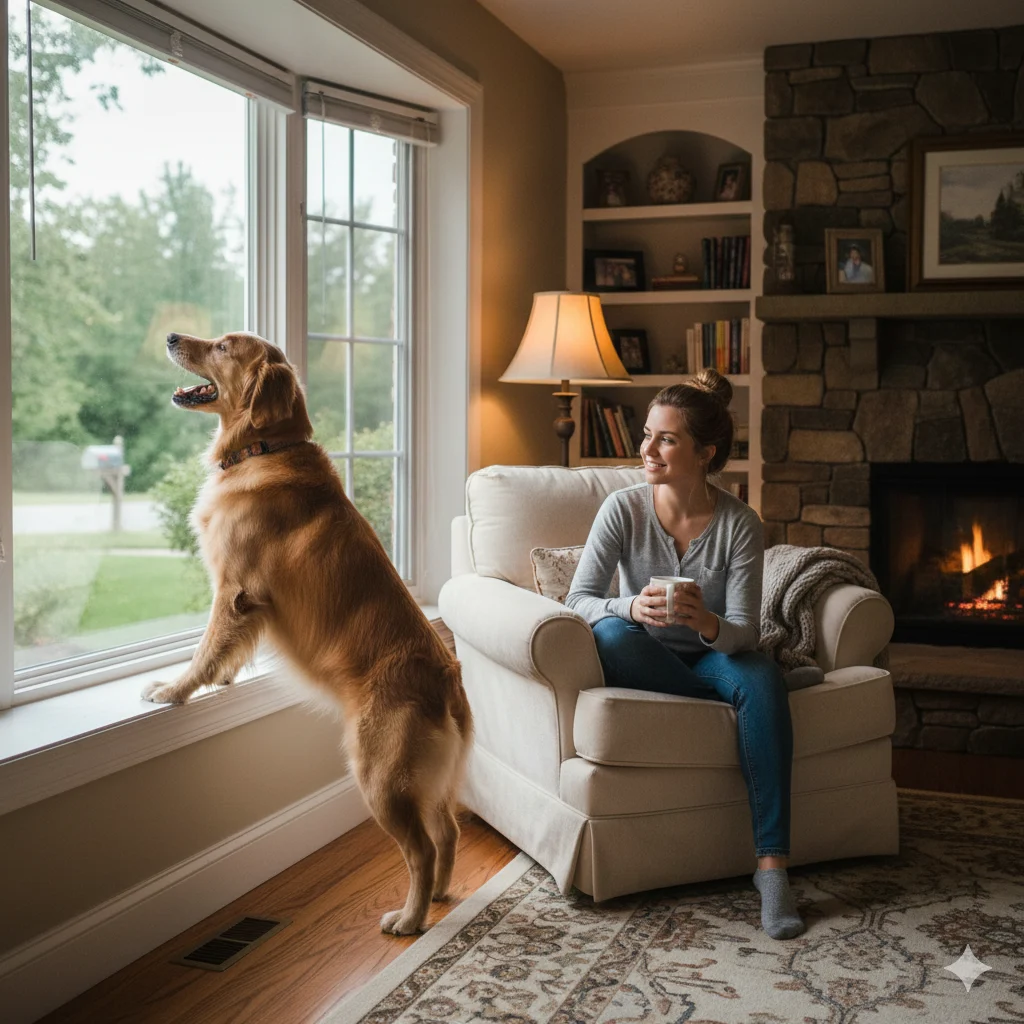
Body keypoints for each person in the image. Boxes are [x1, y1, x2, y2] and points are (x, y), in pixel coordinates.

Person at [565, 368, 805, 940]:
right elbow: (576, 600)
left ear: (706, 452)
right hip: (641, 650)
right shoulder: (621, 510)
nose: (646, 449)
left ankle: (772, 870)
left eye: (665, 439)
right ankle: (755, 697)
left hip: (710, 653)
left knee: (755, 670)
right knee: (614, 637)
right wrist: (629, 609)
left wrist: (709, 623)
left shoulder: (740, 524)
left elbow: (746, 630)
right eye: (647, 434)